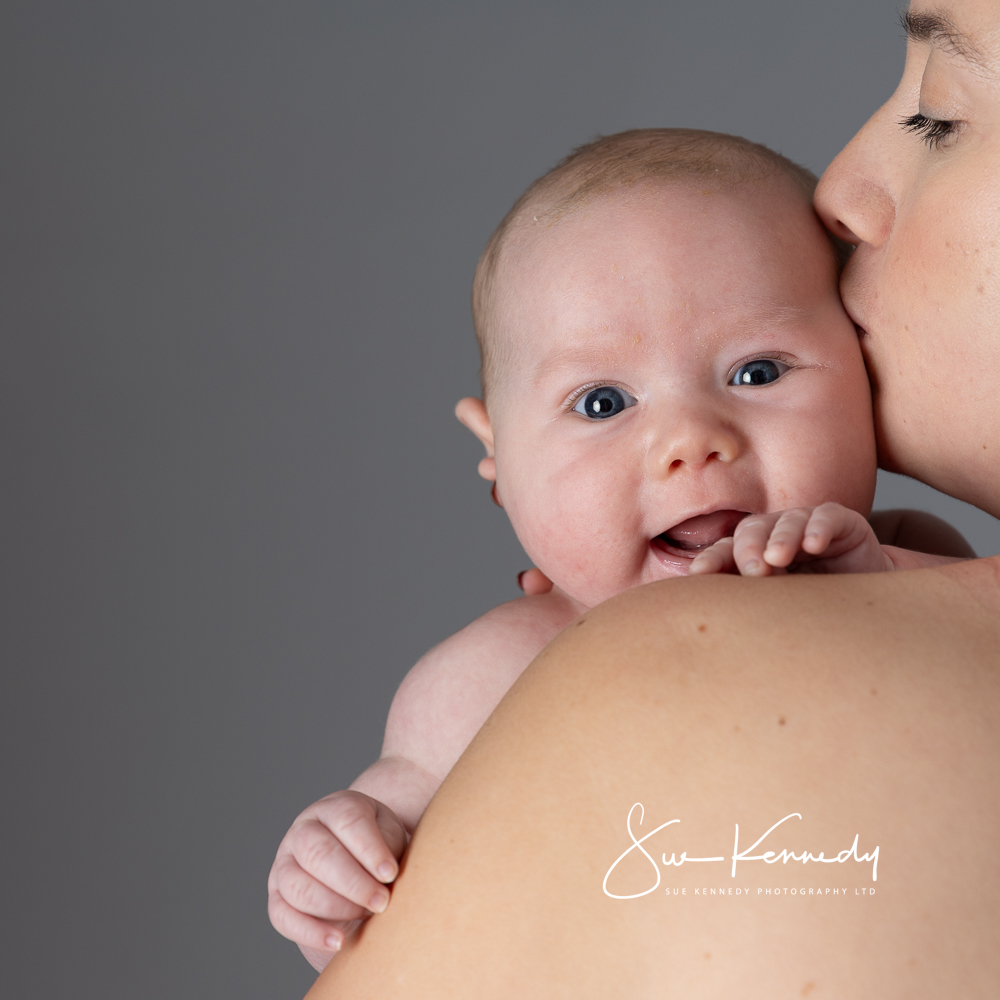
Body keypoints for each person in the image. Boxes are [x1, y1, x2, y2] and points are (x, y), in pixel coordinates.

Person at [300, 1, 1000, 996]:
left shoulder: (904, 554)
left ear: (854, 371)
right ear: (495, 458)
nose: (687, 444)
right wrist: (337, 849)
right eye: (600, 402)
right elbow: (383, 860)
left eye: (759, 372)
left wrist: (868, 582)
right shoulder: (486, 673)